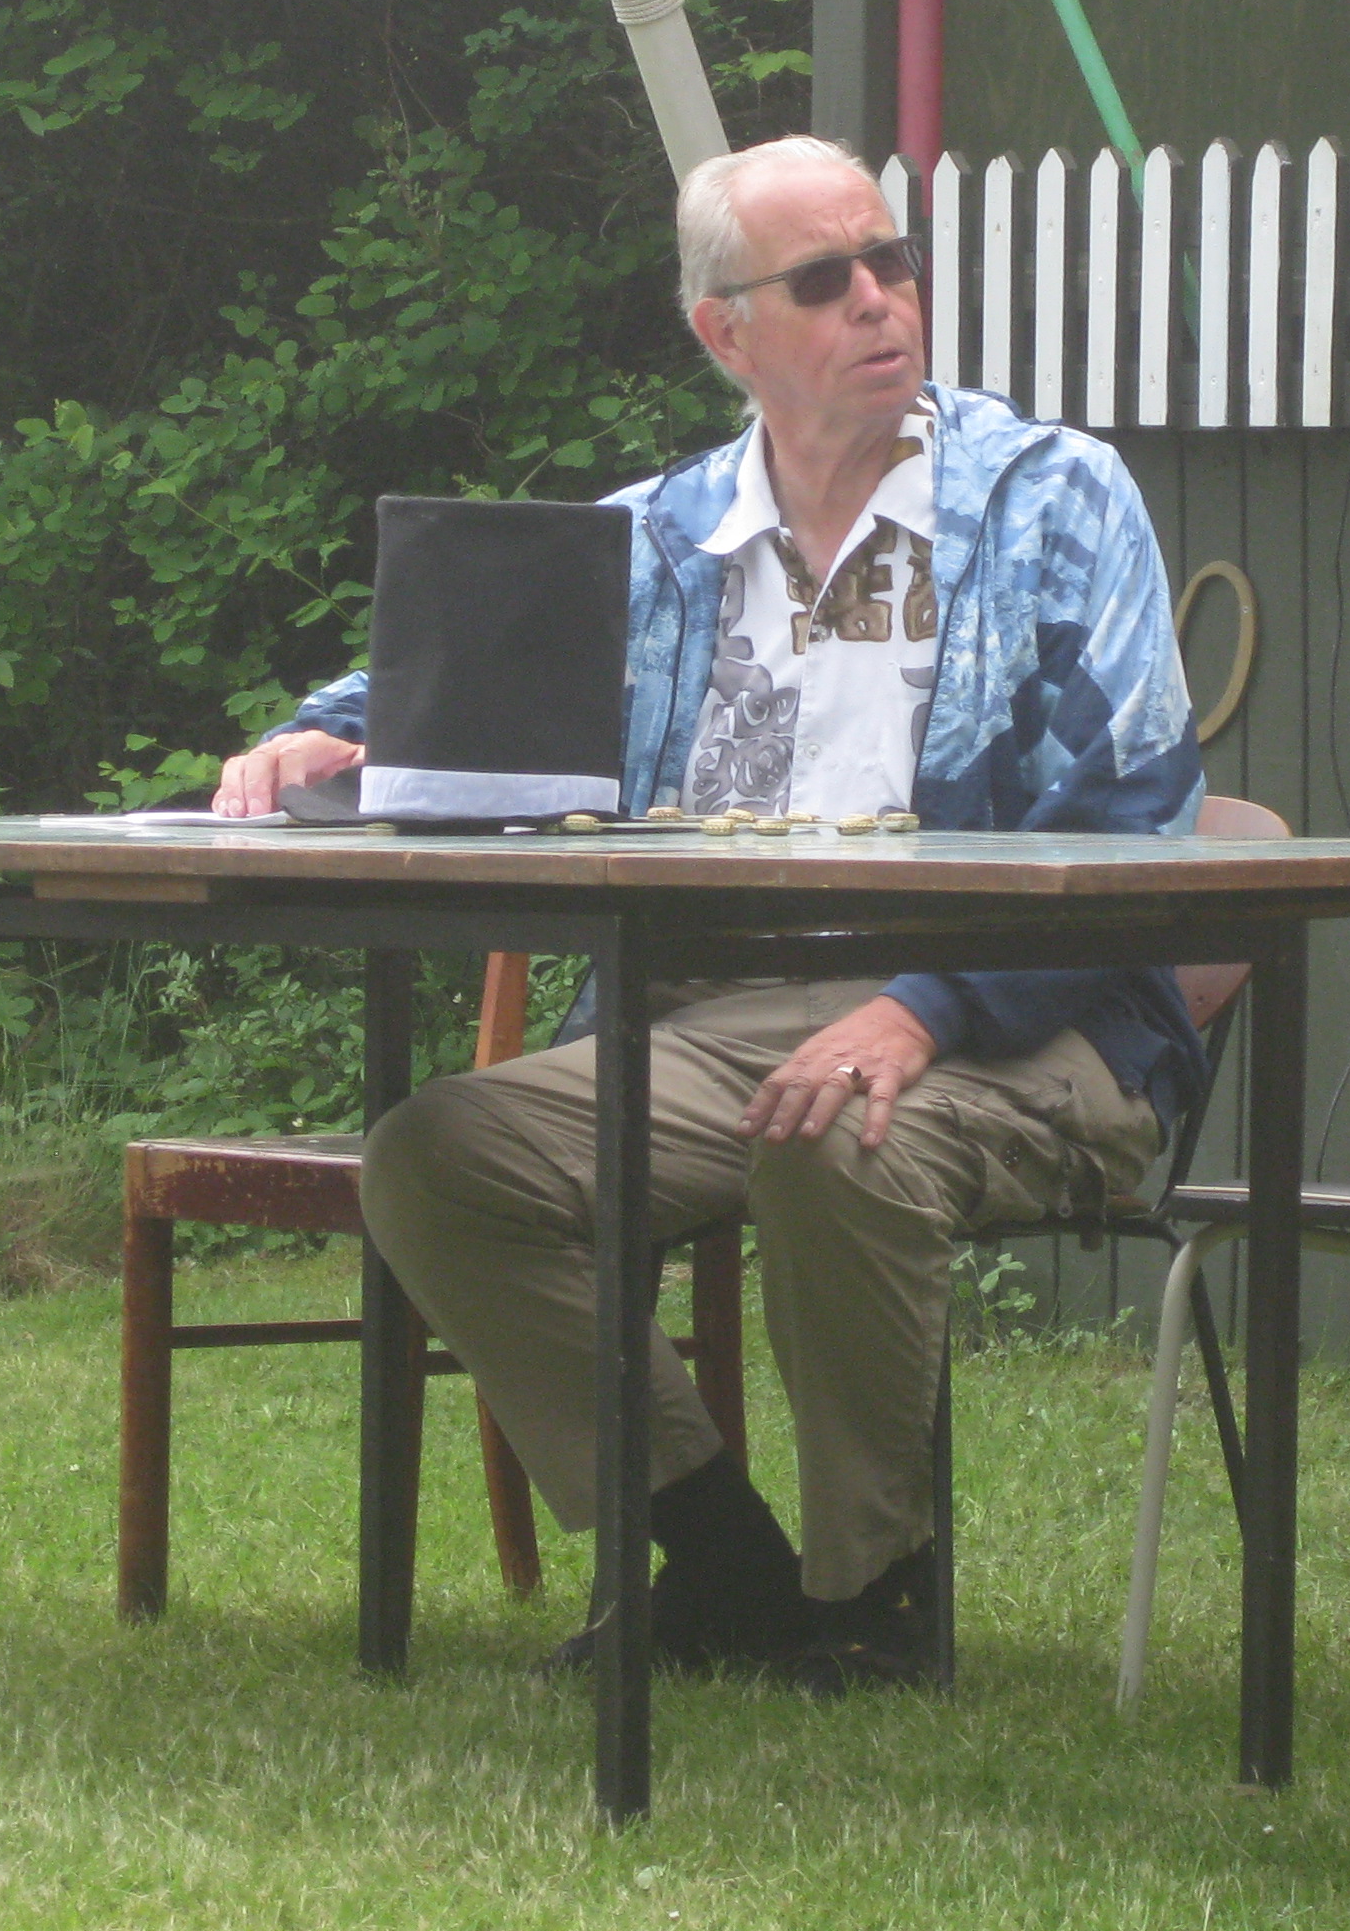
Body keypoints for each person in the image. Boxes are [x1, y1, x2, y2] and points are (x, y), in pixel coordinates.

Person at [214, 134, 1204, 1692]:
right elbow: (443, 676)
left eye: (892, 262)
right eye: (825, 279)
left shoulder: (1050, 500)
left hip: (1026, 1020)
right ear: (723, 332)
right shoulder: (664, 539)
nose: (879, 299)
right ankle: (721, 1560)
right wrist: (315, 737)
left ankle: (876, 1594)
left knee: (833, 1128)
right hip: (713, 1019)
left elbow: (1130, 810)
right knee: (434, 1161)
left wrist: (925, 1010)